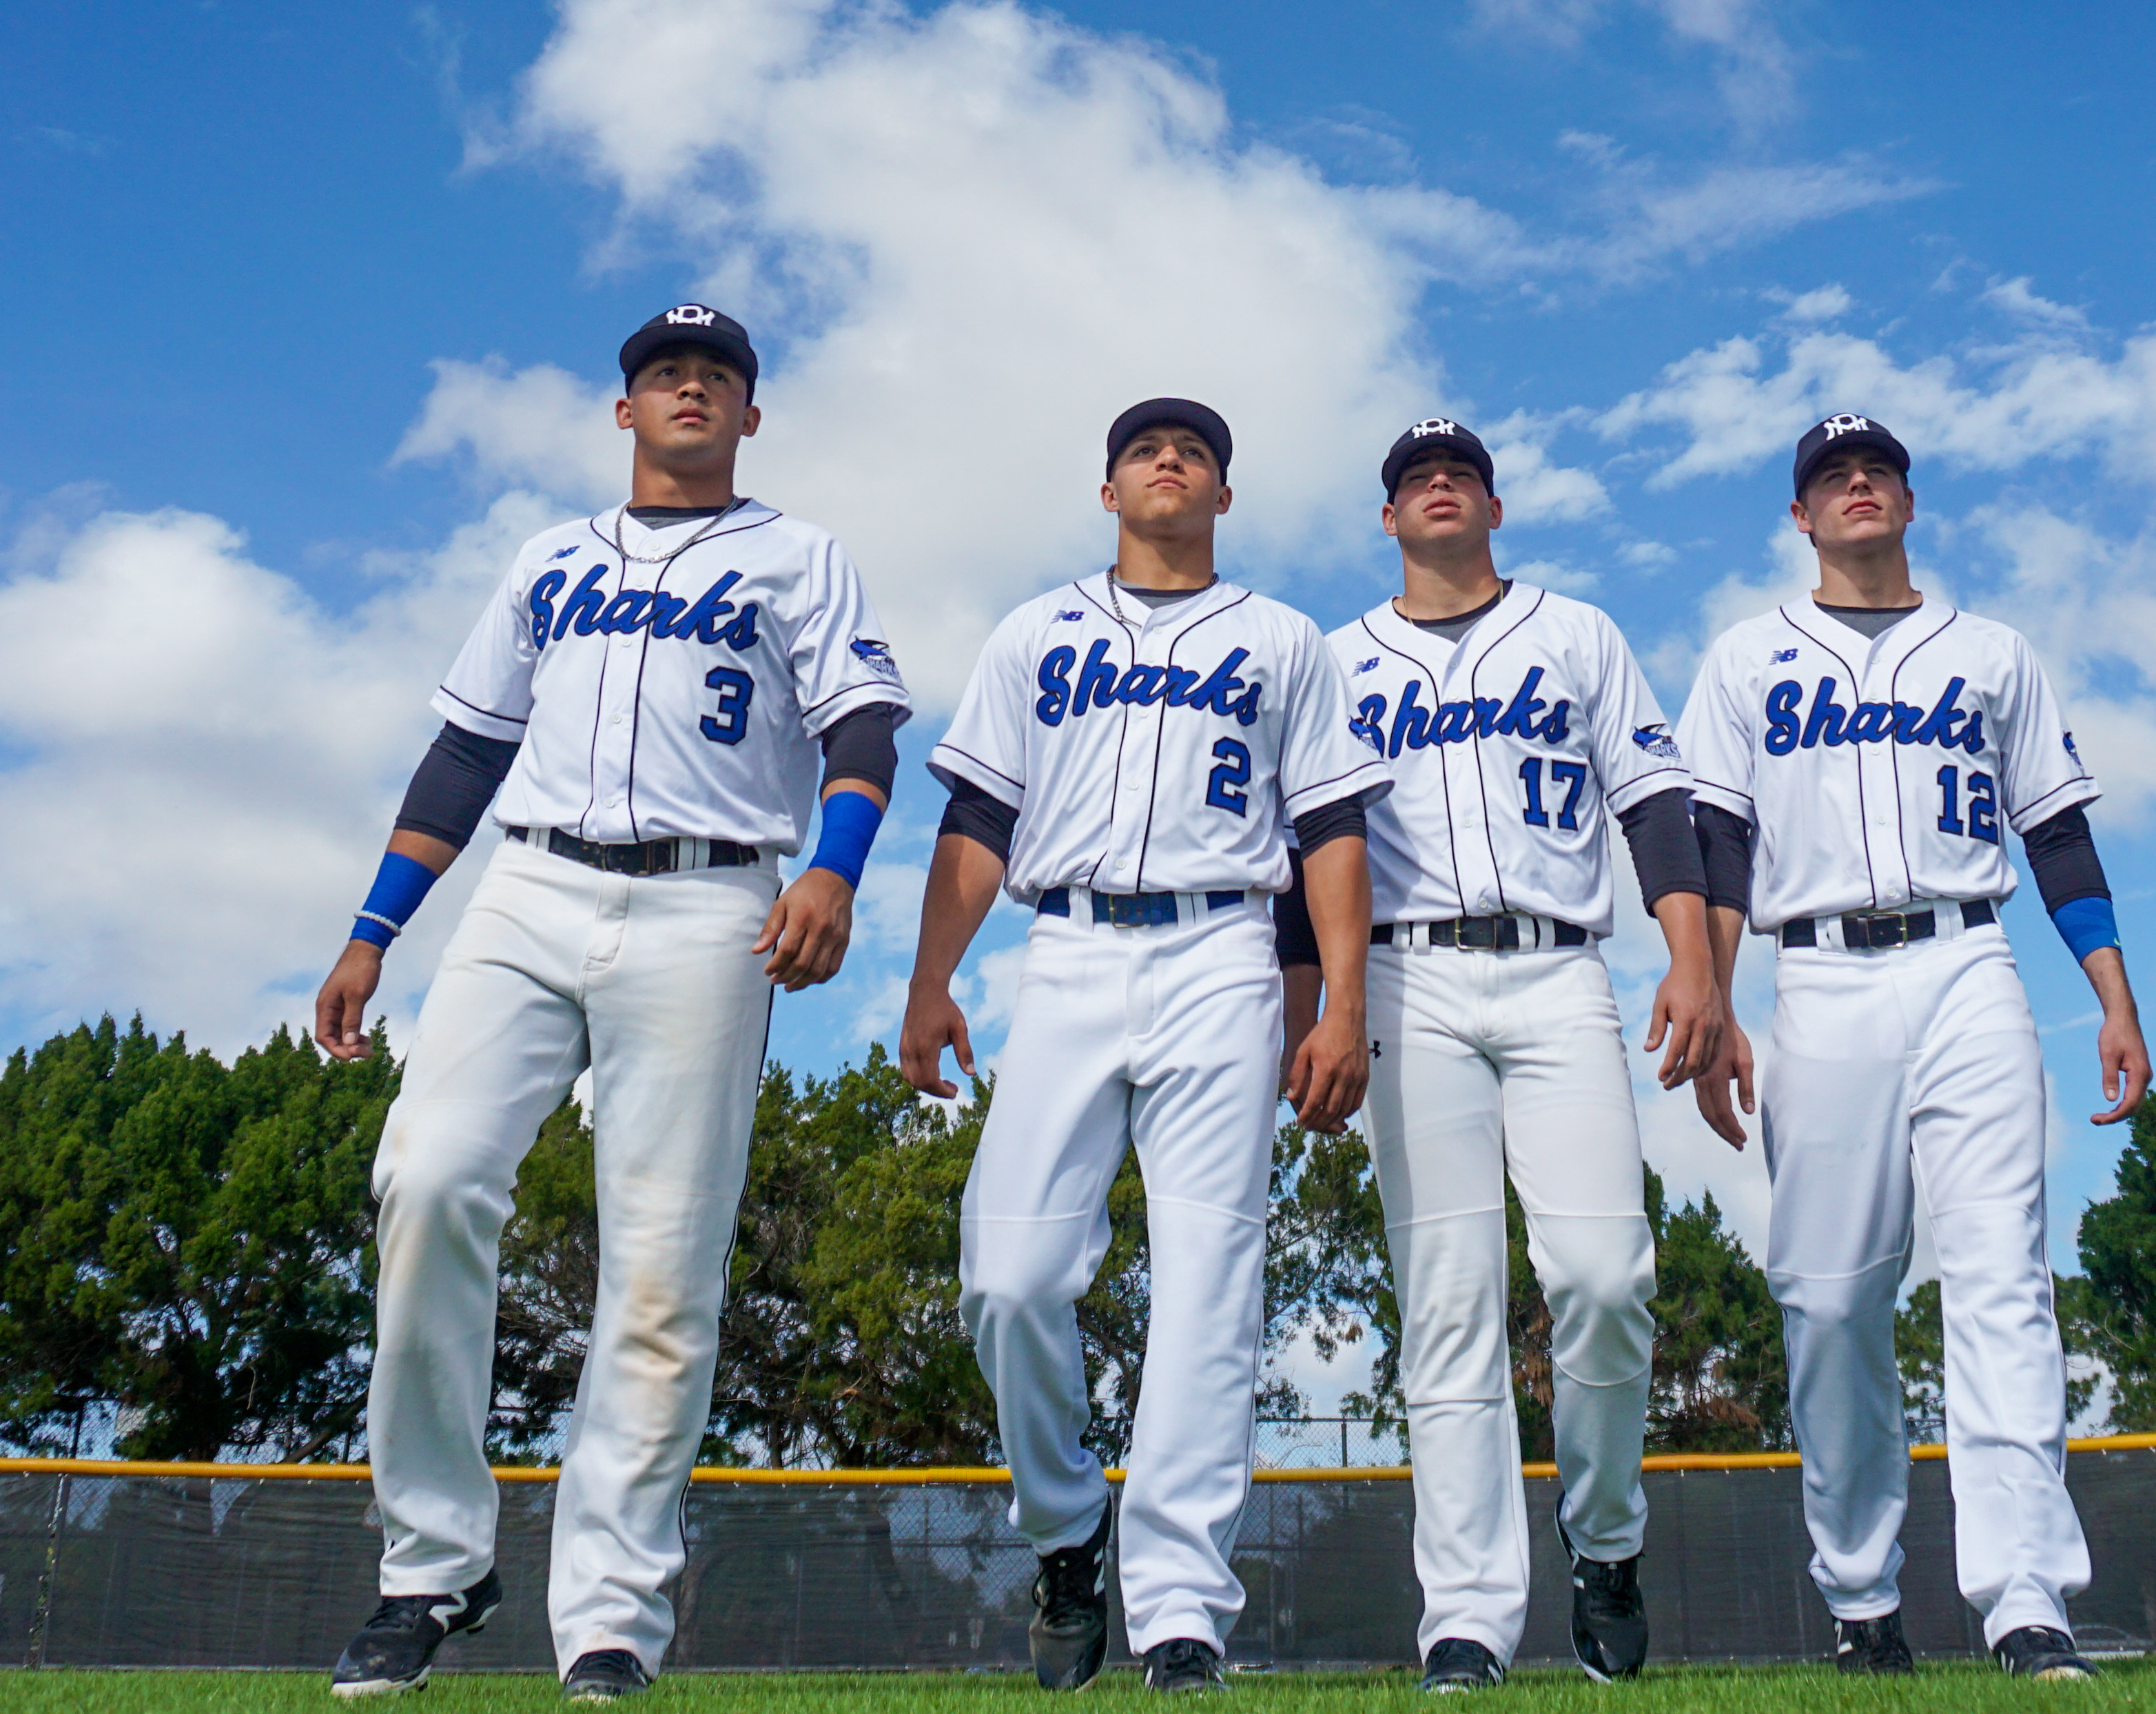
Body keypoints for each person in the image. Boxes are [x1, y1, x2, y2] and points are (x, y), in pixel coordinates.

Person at [315, 306, 910, 1702]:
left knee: (658, 1268)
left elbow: (865, 728)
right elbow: (467, 748)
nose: (688, 384)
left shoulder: (799, 554)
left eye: (716, 374)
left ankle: (610, 1614)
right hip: (527, 888)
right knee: (426, 1176)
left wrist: (831, 869)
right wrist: (370, 929)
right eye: (662, 372)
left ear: (750, 415)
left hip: (712, 904)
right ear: (625, 409)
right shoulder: (551, 556)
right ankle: (433, 1562)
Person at [898, 400, 1390, 1694]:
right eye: (1145, 451)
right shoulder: (1035, 631)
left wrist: (1341, 1003)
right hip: (1063, 949)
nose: (1170, 462)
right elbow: (977, 812)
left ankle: (1181, 1608)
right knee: (1006, 1273)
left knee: (1209, 1287)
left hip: (1223, 948)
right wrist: (929, 982)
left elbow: (1331, 830)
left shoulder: (1282, 638)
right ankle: (1067, 1529)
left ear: (1223, 498)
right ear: (1106, 489)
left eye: (1197, 455)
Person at [1678, 414, 2150, 1682]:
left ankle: (2026, 1596)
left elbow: (2056, 834)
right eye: (1832, 477)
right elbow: (1716, 846)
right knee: (1830, 1300)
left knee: (2003, 1275)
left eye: (1875, 468)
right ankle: (1861, 1591)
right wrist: (1712, 1001)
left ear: (1907, 497)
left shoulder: (1992, 653)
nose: (1857, 485)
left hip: (1968, 960)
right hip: (1818, 977)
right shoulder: (1743, 659)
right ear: (1802, 517)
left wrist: (2113, 994)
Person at [1277, 419, 1721, 1691]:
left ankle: (1607, 1540)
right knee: (1450, 1303)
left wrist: (1690, 959)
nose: (1436, 484)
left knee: (1603, 1274)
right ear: (1387, 518)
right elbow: (1304, 848)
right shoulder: (1332, 658)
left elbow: (1654, 805)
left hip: (1558, 968)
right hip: (1406, 980)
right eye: (1415, 476)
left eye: (1458, 472)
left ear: (1493, 504)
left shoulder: (1579, 634)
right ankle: (1465, 1614)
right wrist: (1315, 1007)